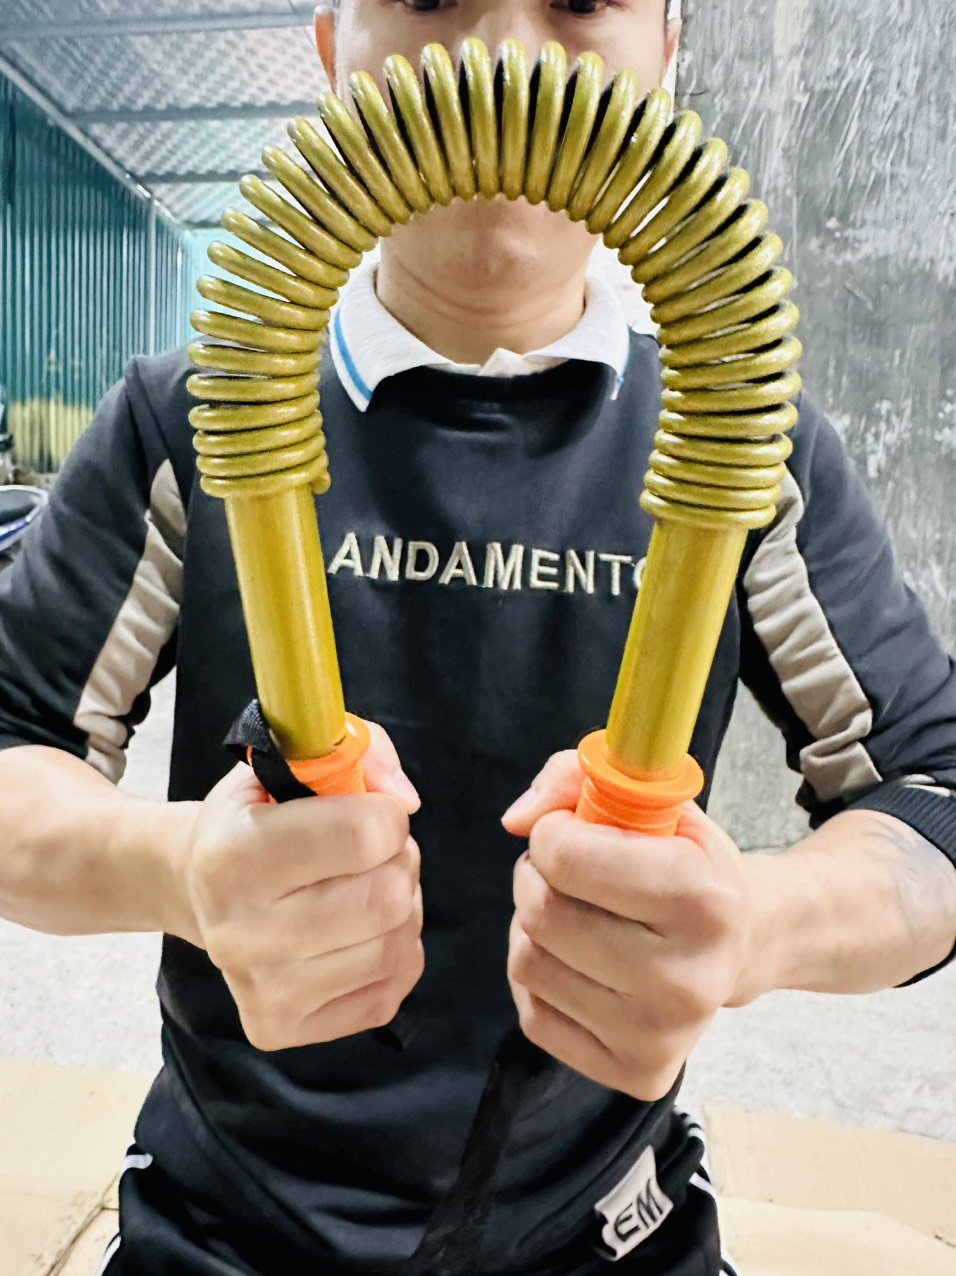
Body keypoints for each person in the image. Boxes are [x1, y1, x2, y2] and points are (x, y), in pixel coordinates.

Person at [1, 1, 954, 1273]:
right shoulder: (192, 420)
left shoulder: (743, 446)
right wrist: (178, 866)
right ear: (334, 48)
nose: (505, 58)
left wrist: (758, 922)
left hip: (602, 1227)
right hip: (226, 1223)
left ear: (665, 53)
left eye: (580, 1)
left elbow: (933, 798)